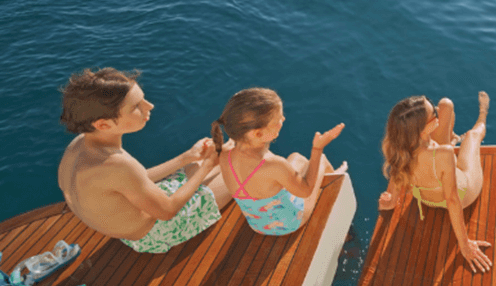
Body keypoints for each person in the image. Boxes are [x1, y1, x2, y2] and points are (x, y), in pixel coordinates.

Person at [57, 68, 232, 254]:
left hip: (127, 225)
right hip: (153, 234)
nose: (149, 106)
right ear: (103, 124)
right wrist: (207, 167)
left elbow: (134, 179)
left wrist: (186, 157)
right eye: (136, 106)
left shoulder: (79, 145)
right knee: (234, 163)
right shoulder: (117, 164)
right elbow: (167, 212)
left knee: (200, 163)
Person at [378, 92, 492, 273]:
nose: (437, 113)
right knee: (472, 136)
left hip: (426, 197)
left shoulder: (399, 146)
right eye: (434, 115)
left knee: (446, 104)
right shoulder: (444, 154)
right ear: (425, 129)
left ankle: (453, 136)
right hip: (463, 191)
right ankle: (483, 113)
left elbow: (395, 180)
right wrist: (465, 245)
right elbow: (453, 200)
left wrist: (391, 200)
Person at [211, 88, 346, 236]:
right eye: (278, 120)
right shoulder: (274, 164)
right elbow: (306, 191)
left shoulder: (224, 155)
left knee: (297, 158)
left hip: (257, 225)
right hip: (289, 223)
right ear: (257, 133)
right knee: (321, 161)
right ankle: (335, 179)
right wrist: (317, 149)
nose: (283, 120)